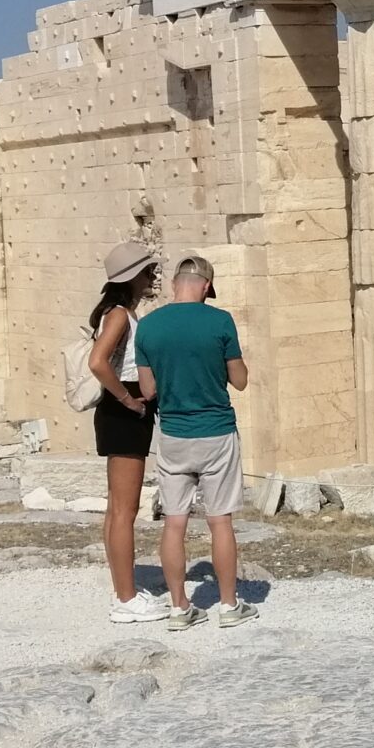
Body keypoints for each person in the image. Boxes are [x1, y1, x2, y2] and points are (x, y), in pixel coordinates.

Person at [131, 255, 256, 629]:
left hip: (173, 433)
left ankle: (179, 608)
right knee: (220, 521)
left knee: (174, 522)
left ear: (175, 284)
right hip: (216, 430)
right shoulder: (220, 321)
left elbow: (149, 388)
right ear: (205, 286)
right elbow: (240, 380)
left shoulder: (149, 327)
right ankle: (230, 606)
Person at [85, 241, 168, 624]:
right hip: (124, 408)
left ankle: (125, 589)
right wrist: (128, 400)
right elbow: (98, 362)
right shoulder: (119, 314)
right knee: (125, 509)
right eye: (148, 270)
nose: (152, 276)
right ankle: (125, 598)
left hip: (120, 408)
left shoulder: (116, 311)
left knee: (117, 508)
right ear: (133, 275)